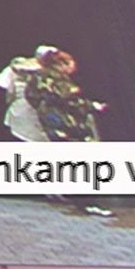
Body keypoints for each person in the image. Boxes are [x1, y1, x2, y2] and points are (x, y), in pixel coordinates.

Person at [25, 49, 112, 216]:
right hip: (69, 125)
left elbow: (30, 96)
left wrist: (45, 109)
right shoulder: (59, 79)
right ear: (62, 64)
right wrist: (92, 106)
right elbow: (71, 100)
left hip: (51, 124)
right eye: (71, 64)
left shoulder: (37, 77)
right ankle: (90, 202)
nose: (73, 68)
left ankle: (79, 199)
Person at [0, 47, 54, 143]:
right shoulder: (15, 69)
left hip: (44, 125)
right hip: (21, 121)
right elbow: (0, 87)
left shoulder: (58, 76)